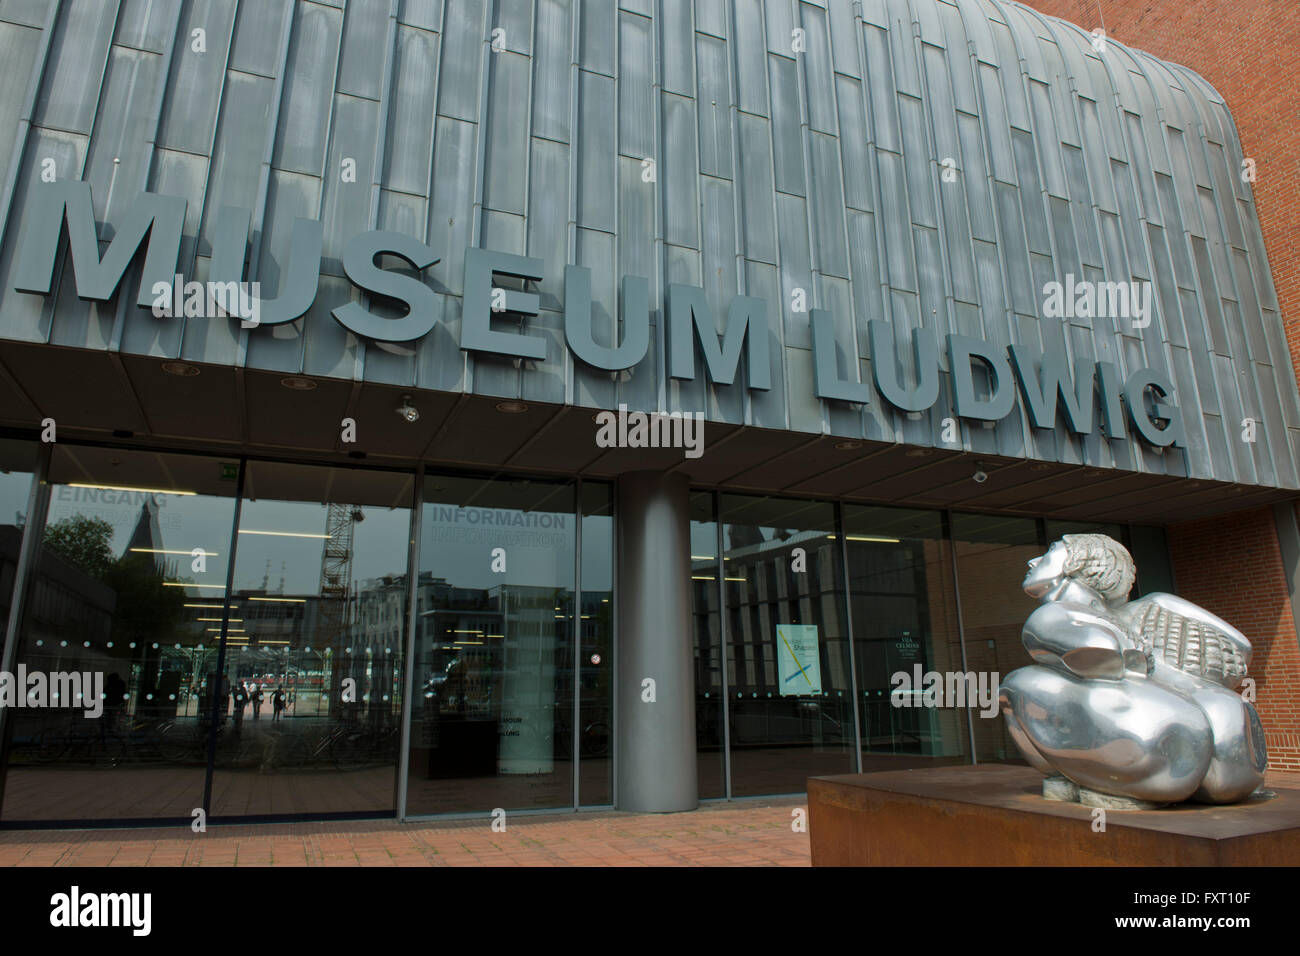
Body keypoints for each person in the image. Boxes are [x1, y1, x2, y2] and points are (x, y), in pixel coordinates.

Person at [1000, 533, 1266, 805]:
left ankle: (1084, 780)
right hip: (1234, 764)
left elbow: (1101, 651)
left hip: (1151, 751)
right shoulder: (1144, 611)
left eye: (1051, 551)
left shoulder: (1053, 614)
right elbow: (1240, 651)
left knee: (1015, 684)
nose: (1033, 561)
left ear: (1083, 563)